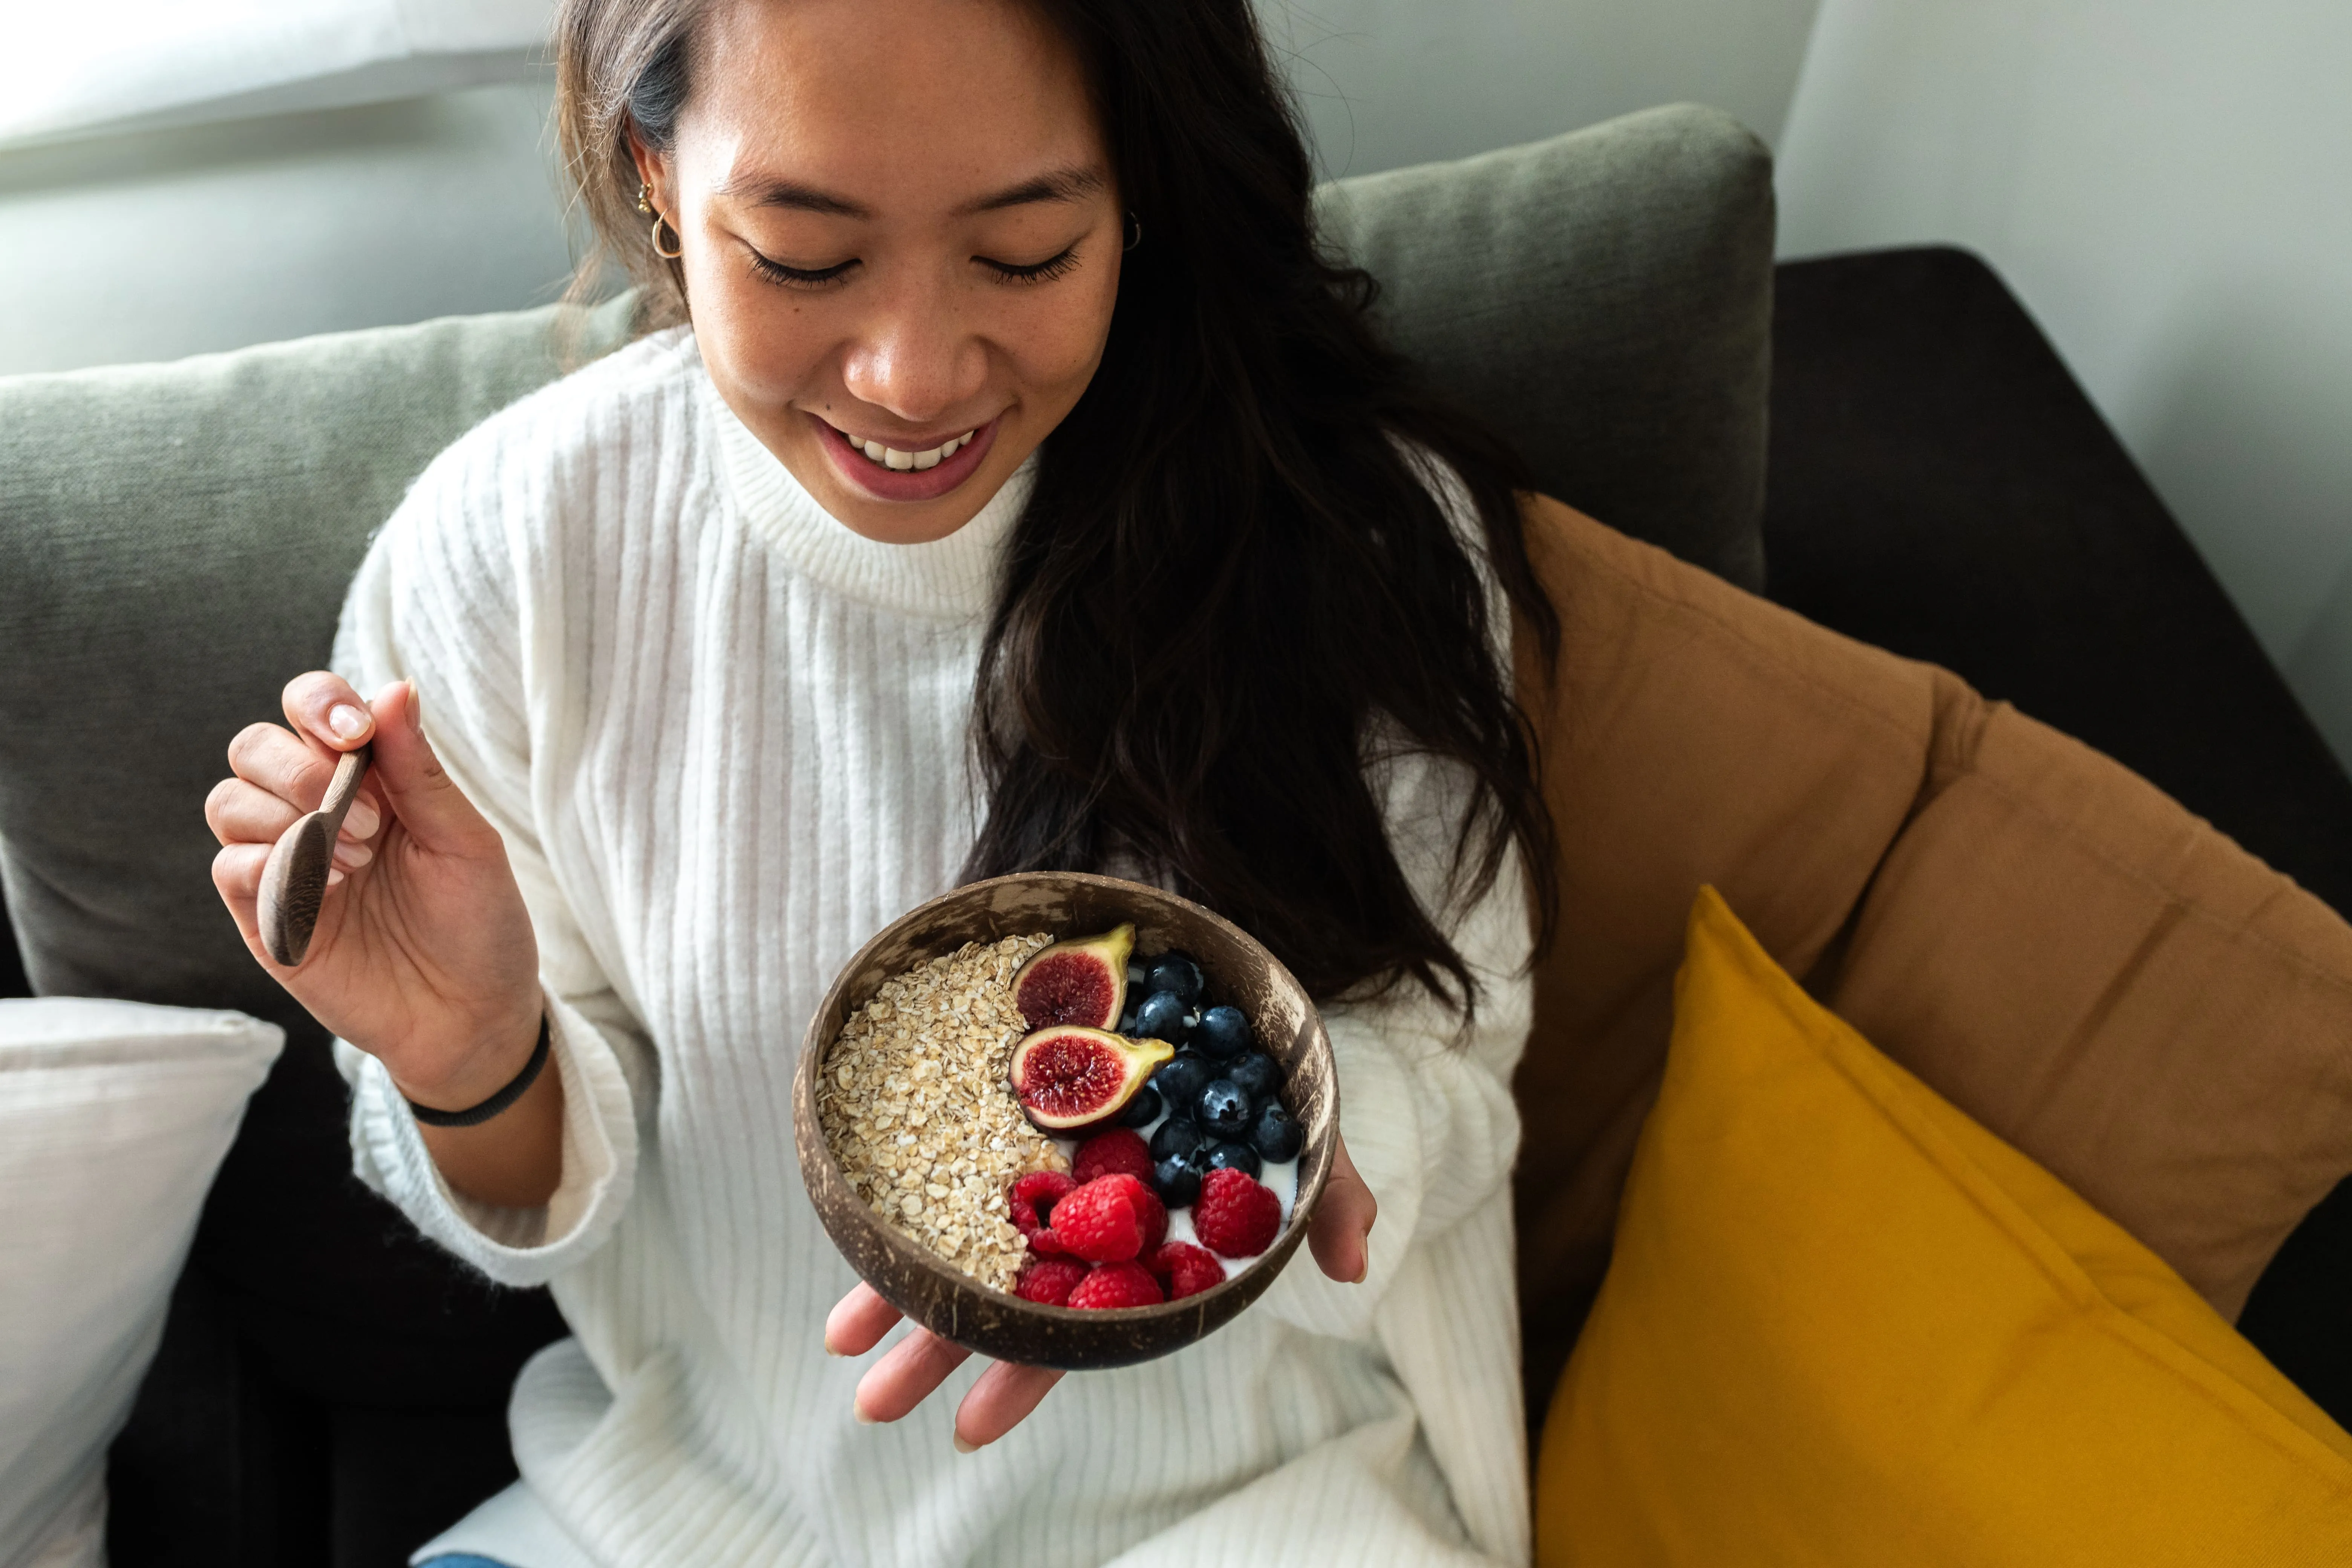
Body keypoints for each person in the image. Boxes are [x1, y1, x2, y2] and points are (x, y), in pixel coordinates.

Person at [205, 0, 1558, 1562]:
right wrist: (469, 1053)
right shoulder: (511, 553)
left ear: (1140, 193)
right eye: (804, 256)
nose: (913, 377)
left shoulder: (1361, 540)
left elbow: (1456, 1052)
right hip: (691, 1512)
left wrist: (1240, 1156)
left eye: (1029, 254)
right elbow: (538, 1189)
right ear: (655, 171)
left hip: (1254, 1509)